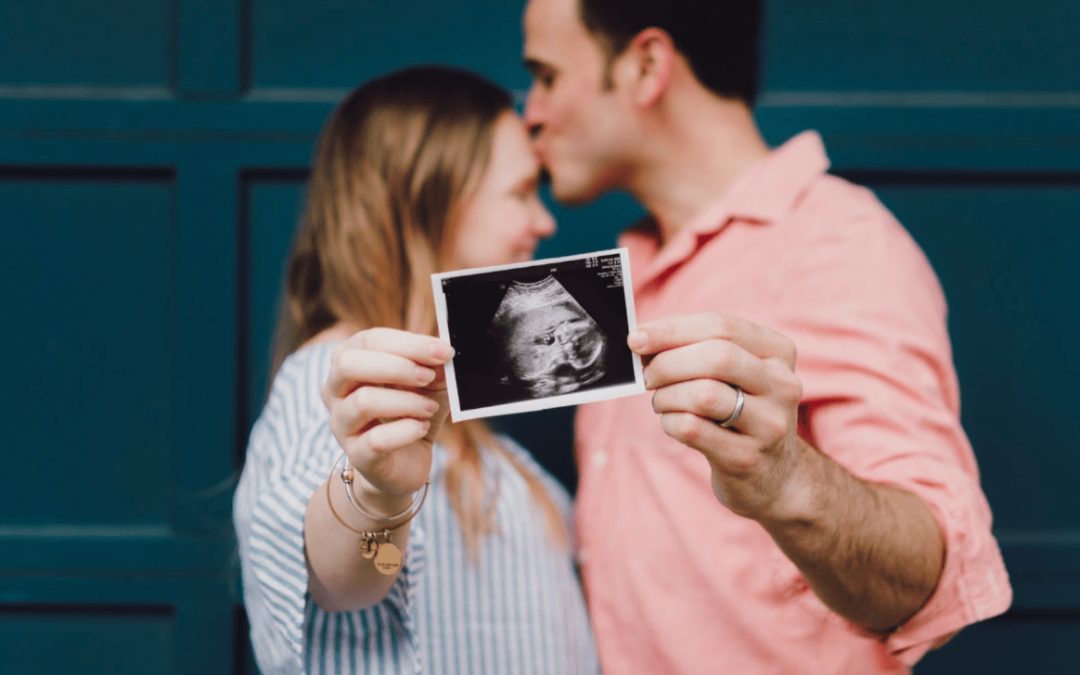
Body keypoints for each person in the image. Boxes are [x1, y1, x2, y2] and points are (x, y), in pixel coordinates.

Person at [521, 0, 1012, 673]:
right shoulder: (619, 277)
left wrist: (784, 479)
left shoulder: (838, 245)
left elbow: (931, 578)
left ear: (645, 66)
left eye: (546, 76)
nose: (532, 114)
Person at [233, 65, 598, 675]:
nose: (544, 222)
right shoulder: (335, 385)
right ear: (427, 202)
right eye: (519, 192)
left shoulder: (455, 409)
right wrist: (377, 493)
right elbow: (341, 580)